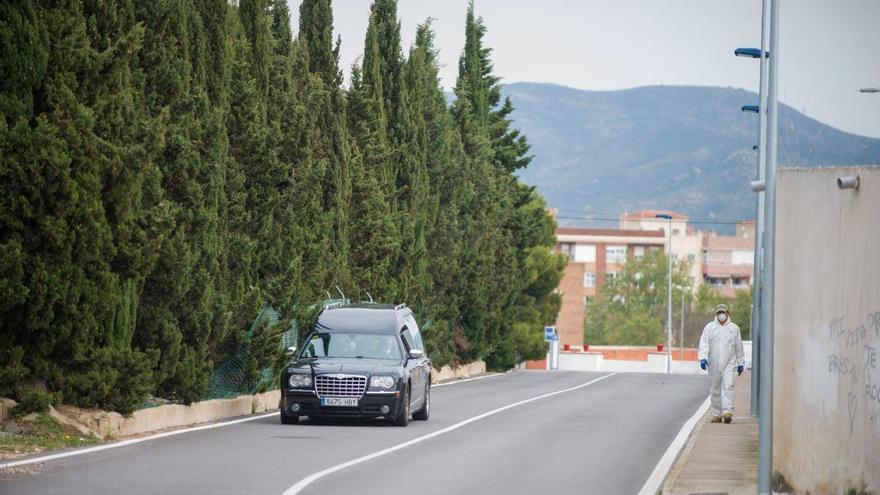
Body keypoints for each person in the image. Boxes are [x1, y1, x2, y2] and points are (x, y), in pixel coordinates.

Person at [698, 303, 746, 424]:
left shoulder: (734, 329)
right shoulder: (709, 328)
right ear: (716, 314)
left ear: (727, 313)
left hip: (729, 364)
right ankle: (716, 414)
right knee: (715, 388)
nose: (721, 315)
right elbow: (704, 344)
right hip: (713, 363)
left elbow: (739, 347)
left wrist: (740, 362)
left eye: (723, 312)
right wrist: (703, 358)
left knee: (728, 386)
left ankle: (727, 412)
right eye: (719, 313)